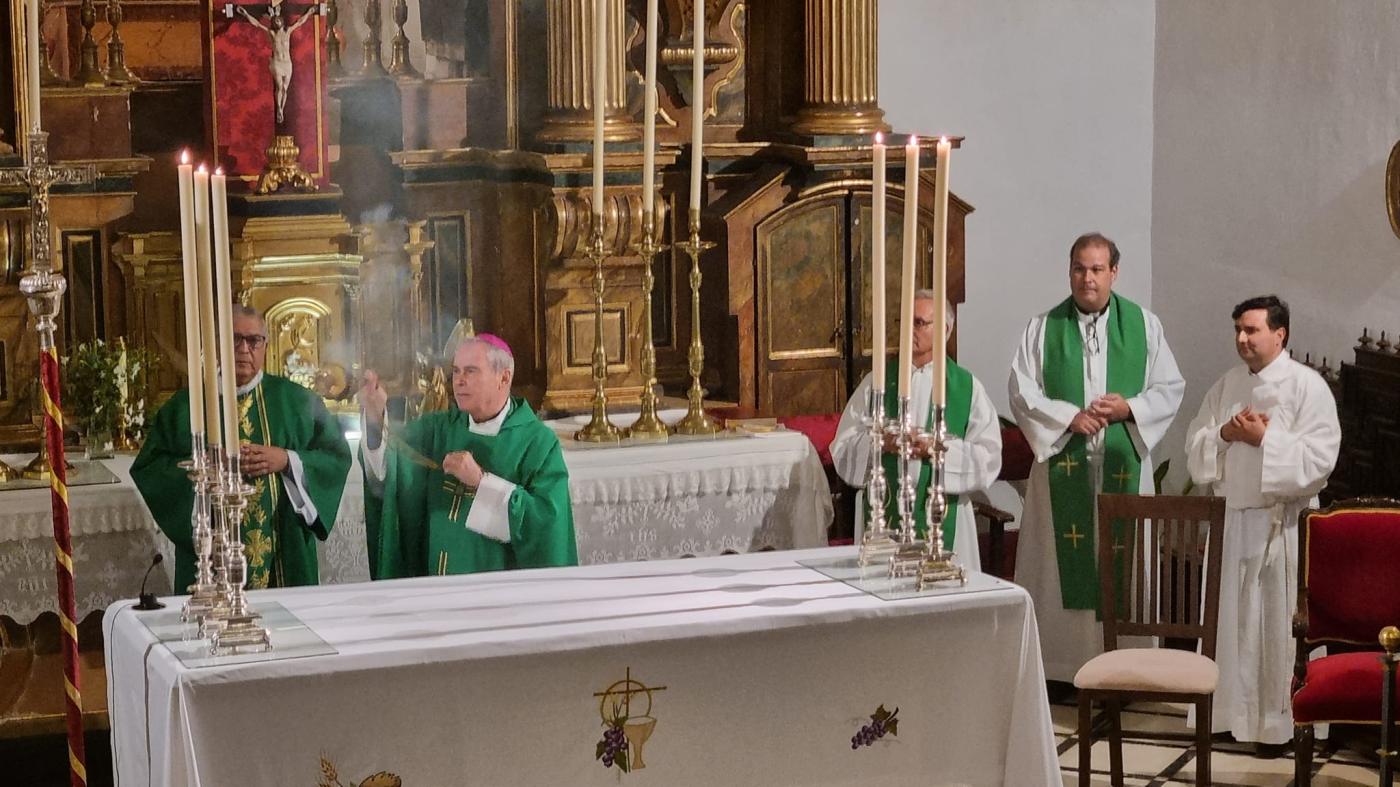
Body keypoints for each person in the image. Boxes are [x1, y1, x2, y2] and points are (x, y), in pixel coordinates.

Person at [1008, 232, 1184, 682]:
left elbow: (1169, 389)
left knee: (1121, 565)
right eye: (1079, 269)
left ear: (1114, 272)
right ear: (1070, 271)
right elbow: (1021, 392)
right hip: (1066, 470)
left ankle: (1127, 668)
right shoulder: (1043, 327)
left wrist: (1129, 409)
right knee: (1058, 562)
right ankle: (1061, 669)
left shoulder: (1144, 326)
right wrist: (1068, 418)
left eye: (1097, 269)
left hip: (1120, 468)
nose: (1088, 278)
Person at [1184, 295, 1339, 749]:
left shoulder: (1308, 387)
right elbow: (1197, 445)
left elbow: (1321, 459)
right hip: (1234, 525)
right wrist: (1226, 434)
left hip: (1284, 528)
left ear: (1280, 334)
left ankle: (1285, 722)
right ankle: (1233, 718)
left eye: (1251, 330)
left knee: (1276, 628)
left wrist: (1266, 438)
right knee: (1235, 627)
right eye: (1237, 330)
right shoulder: (1226, 384)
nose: (1241, 339)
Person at [133, 304, 352, 590]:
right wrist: (203, 468)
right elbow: (151, 468)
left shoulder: (297, 402)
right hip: (212, 560)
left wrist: (287, 460)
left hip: (284, 556)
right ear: (217, 344)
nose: (244, 349)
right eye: (235, 339)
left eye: (253, 340)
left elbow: (335, 457)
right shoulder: (186, 407)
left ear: (265, 345)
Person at [358, 334, 576, 578]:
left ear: (503, 377)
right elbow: (391, 461)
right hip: (435, 594)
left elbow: (548, 525)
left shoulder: (537, 443)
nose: (458, 381)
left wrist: (481, 482)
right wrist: (376, 418)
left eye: (470, 371)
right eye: (456, 371)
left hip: (499, 598)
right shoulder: (439, 428)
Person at [830, 291, 1002, 569]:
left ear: (944, 330)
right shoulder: (878, 382)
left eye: (920, 323)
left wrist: (936, 449)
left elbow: (989, 458)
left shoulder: (967, 389)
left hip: (945, 519)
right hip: (884, 517)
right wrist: (880, 443)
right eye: (905, 322)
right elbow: (842, 448)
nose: (910, 331)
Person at [235, 4, 318, 125]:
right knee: (279, 86)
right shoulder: (271, 33)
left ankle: (281, 109)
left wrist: (309, 12)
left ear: (282, 21)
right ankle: (278, 107)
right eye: (276, 20)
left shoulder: (288, 31)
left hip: (287, 63)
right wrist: (245, 14)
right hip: (277, 63)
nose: (278, 21)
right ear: (274, 22)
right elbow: (257, 24)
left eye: (280, 20)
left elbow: (300, 22)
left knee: (285, 88)